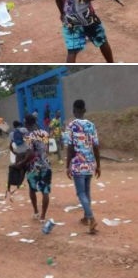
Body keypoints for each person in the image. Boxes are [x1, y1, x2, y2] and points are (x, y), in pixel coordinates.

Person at [63, 98, 101, 234]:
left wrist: (67, 166)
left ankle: (91, 218)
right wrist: (98, 165)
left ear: (74, 111)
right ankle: (86, 217)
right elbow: (96, 146)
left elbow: (70, 147)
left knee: (81, 193)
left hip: (78, 164)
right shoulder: (91, 125)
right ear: (84, 110)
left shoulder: (71, 126)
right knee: (87, 191)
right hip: (89, 163)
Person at [14, 115, 51, 225]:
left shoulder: (28, 136)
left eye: (25, 122)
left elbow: (29, 153)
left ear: (27, 123)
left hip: (33, 167)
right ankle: (43, 216)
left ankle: (35, 211)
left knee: (32, 189)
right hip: (46, 165)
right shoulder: (45, 133)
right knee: (45, 191)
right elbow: (46, 149)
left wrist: (21, 163)